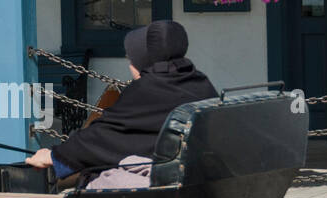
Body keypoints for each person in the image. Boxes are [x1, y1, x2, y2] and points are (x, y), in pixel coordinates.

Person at [25, 20, 218, 188]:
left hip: (167, 182)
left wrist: (55, 156)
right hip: (198, 175)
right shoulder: (199, 81)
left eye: (131, 58)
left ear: (144, 59)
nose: (129, 63)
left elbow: (104, 137)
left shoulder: (147, 89)